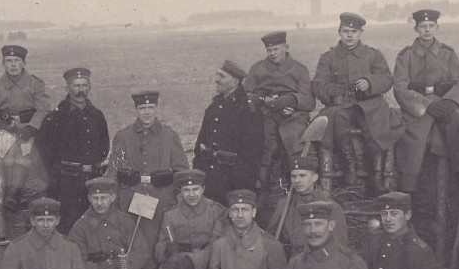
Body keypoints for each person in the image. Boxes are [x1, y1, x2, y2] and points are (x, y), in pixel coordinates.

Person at [393, 9, 459, 244]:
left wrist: (449, 102)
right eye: (422, 26)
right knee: (416, 136)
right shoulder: (406, 56)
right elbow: (400, 88)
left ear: (436, 28)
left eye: (431, 26)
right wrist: (426, 106)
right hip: (419, 108)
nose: (426, 30)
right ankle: (410, 182)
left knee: (458, 121)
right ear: (416, 29)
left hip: (444, 104)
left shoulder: (448, 54)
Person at [312, 13, 402, 194]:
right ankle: (350, 166)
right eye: (346, 31)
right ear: (339, 32)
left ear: (361, 33)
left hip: (368, 104)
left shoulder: (372, 55)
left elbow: (386, 78)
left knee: (376, 124)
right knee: (335, 118)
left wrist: (369, 82)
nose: (350, 35)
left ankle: (375, 176)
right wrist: (332, 92)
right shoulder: (328, 57)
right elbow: (318, 83)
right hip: (342, 105)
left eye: (354, 31)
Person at [244, 31, 316, 224]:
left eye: (276, 49)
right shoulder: (257, 69)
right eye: (269, 50)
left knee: (294, 142)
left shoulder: (299, 70)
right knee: (264, 146)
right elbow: (246, 95)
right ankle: (262, 191)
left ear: (286, 47)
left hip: (293, 117)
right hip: (266, 115)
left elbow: (309, 100)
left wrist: (291, 99)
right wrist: (261, 99)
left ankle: (301, 189)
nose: (272, 53)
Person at [0, 44, 52, 220]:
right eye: (9, 61)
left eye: (17, 61)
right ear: (3, 63)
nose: (13, 65)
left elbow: (43, 110)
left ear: (24, 63)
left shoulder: (35, 84)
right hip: (5, 130)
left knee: (27, 149)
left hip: (30, 129)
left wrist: (31, 128)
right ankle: (10, 193)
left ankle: (14, 191)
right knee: (9, 148)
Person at [68, 177, 155, 269]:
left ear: (113, 197)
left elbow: (141, 251)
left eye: (103, 198)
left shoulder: (125, 221)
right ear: (89, 198)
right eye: (95, 198)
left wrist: (119, 265)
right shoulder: (80, 227)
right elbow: (75, 260)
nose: (99, 203)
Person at [108, 90, 189, 244]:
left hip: (161, 197)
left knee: (158, 240)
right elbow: (113, 172)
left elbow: (182, 172)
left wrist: (176, 198)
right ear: (136, 110)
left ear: (156, 108)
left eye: (150, 107)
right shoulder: (123, 137)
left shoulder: (169, 136)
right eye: (142, 108)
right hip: (131, 196)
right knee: (133, 240)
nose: (147, 112)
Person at [37, 67, 111, 233]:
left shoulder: (97, 116)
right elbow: (43, 151)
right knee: (68, 227)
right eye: (76, 86)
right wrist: (57, 176)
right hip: (65, 184)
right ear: (67, 88)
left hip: (92, 181)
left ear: (89, 87)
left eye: (84, 85)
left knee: (94, 226)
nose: (81, 90)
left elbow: (104, 146)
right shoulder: (55, 118)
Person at [155, 169, 228, 269]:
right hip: (179, 266)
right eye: (186, 190)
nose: (191, 194)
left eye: (195, 189)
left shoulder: (216, 211)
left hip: (209, 261)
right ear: (180, 191)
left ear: (203, 189)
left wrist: (194, 261)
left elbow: (217, 243)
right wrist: (167, 250)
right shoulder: (171, 214)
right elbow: (161, 244)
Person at [192, 60, 263, 205]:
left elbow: (252, 153)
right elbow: (200, 145)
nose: (216, 79)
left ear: (236, 81)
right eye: (217, 75)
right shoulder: (213, 107)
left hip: (234, 182)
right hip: (210, 179)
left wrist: (240, 181)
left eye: (222, 76)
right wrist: (199, 174)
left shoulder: (247, 110)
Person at [266, 156, 349, 257]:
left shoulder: (331, 207)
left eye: (302, 176)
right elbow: (270, 237)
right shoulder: (284, 204)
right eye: (294, 176)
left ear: (314, 177)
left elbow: (340, 248)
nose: (297, 180)